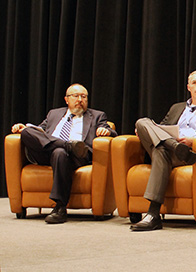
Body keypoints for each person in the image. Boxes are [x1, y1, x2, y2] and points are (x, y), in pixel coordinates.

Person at [130, 69, 196, 231]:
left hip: (190, 153)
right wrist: (148, 131)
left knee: (159, 151)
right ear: (188, 87)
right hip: (174, 147)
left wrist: (194, 140)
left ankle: (153, 214)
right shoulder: (176, 108)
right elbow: (161, 127)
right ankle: (173, 146)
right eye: (194, 83)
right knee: (142, 122)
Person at [11, 83, 118, 224]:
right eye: (75, 96)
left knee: (60, 153)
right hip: (47, 153)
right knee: (27, 132)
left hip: (78, 156)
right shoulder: (54, 114)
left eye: (83, 96)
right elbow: (40, 130)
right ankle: (68, 145)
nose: (80, 99)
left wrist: (107, 131)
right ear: (66, 99)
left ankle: (60, 208)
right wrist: (24, 128)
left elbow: (112, 132)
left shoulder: (97, 116)